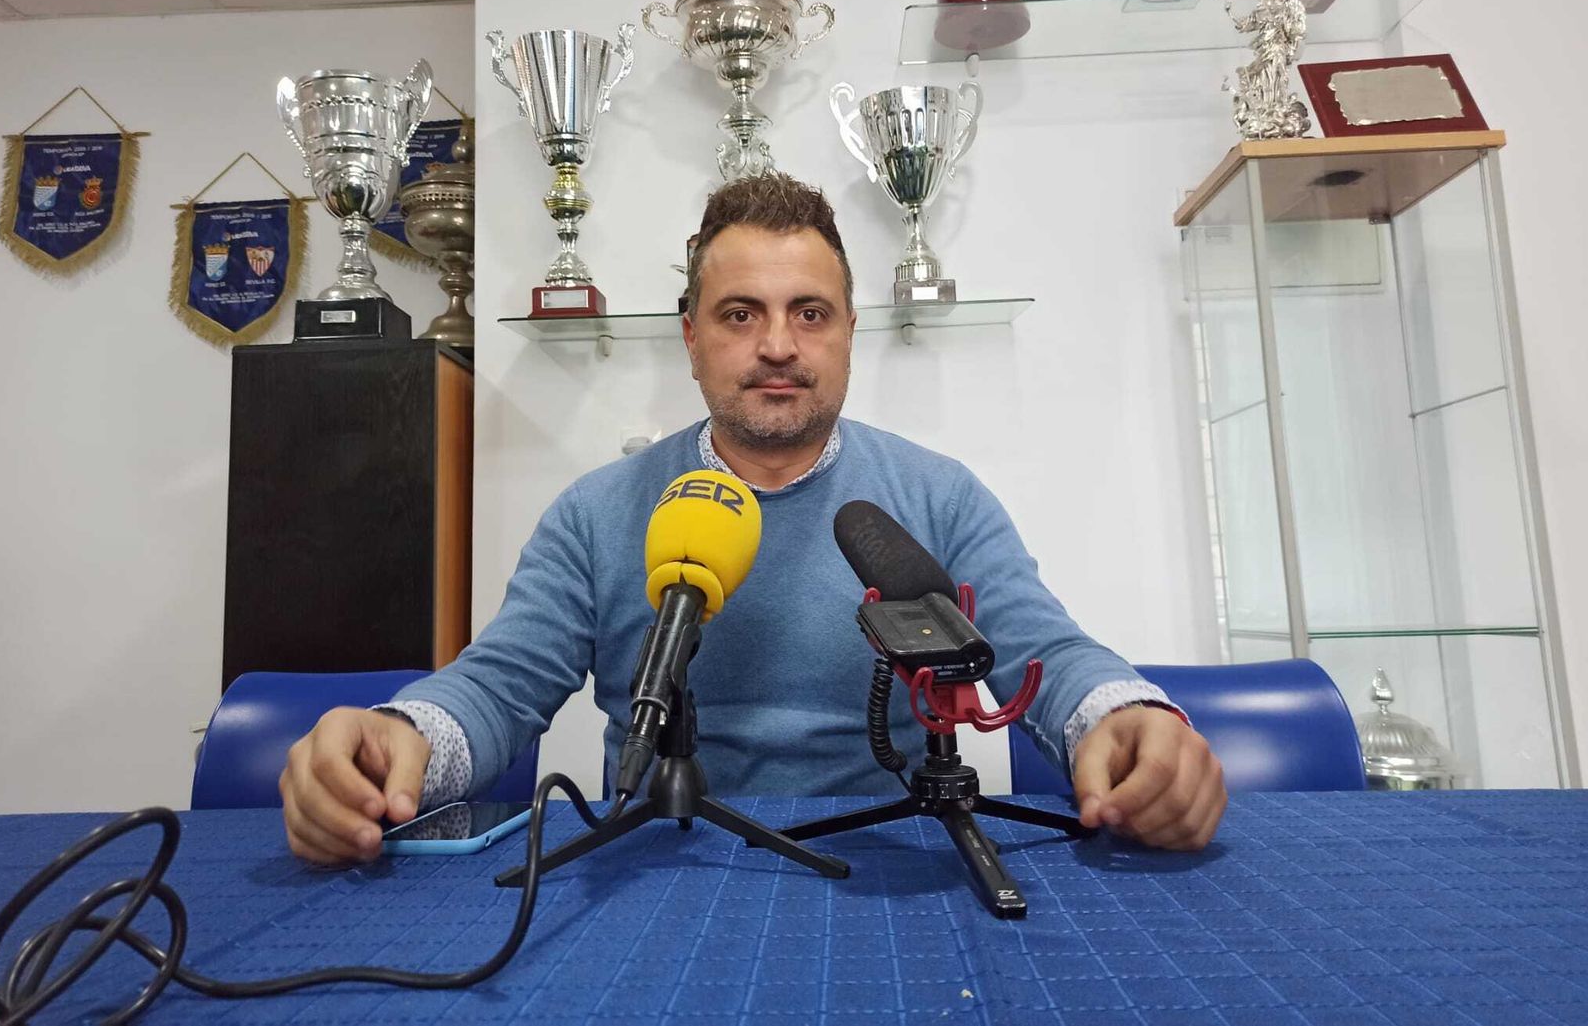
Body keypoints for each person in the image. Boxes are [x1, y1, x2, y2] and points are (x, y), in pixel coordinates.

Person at [278, 173, 1226, 865]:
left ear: (851, 331)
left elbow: (1044, 650)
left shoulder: (940, 496)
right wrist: (402, 736)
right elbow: (499, 685)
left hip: (884, 867)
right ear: (691, 337)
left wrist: (1128, 715)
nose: (778, 345)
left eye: (810, 312)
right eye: (740, 314)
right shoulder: (597, 513)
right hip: (655, 864)